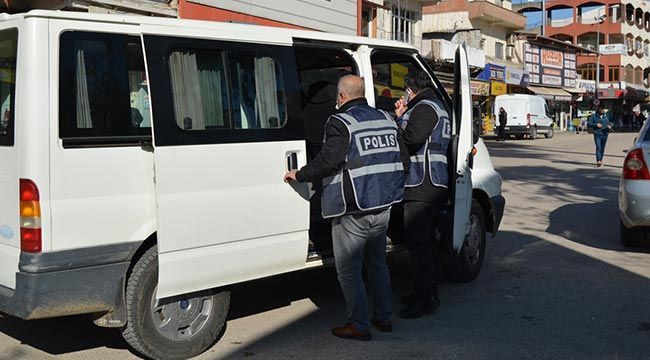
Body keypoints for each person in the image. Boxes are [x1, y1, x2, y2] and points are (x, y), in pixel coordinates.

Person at [284, 75, 408, 341]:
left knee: (349, 270)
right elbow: (403, 159)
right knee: (377, 264)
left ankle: (359, 324)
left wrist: (300, 174)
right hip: (383, 203)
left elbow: (329, 160)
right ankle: (383, 317)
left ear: (341, 98)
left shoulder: (341, 122)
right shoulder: (387, 119)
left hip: (353, 209)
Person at [394, 71, 451, 319]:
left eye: (406, 90)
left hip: (423, 182)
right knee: (425, 241)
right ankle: (423, 292)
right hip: (432, 182)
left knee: (419, 243)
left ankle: (427, 298)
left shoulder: (425, 108)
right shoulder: (436, 106)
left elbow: (410, 140)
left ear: (410, 88)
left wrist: (398, 120)